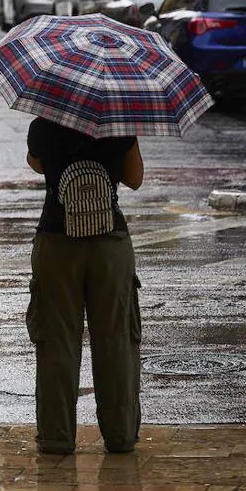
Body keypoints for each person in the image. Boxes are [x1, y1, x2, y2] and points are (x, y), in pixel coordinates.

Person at [25, 118, 144, 455]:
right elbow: (135, 179)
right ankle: (120, 435)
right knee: (116, 338)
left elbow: (37, 165)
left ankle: (56, 437)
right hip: (109, 243)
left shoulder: (43, 125)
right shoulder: (119, 124)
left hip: (56, 240)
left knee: (57, 341)